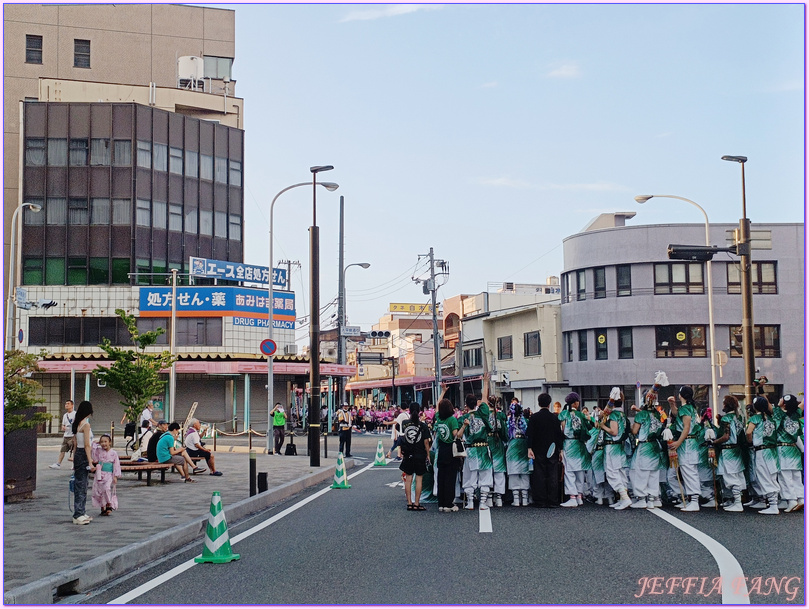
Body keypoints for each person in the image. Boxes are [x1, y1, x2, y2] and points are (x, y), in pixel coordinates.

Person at [526, 393, 564, 508]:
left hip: (538, 448)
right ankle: (552, 500)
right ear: (549, 403)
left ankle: (540, 500)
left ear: (538, 403)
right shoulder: (554, 418)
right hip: (552, 448)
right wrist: (560, 450)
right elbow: (559, 436)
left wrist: (529, 448)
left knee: (539, 474)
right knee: (552, 473)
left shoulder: (534, 417)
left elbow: (530, 434)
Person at [710, 395, 747, 512]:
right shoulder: (739, 418)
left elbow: (726, 436)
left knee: (730, 476)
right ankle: (737, 500)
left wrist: (714, 442)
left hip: (728, 451)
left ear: (726, 405)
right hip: (737, 450)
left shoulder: (726, 419)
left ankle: (737, 502)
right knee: (737, 475)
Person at [629, 391, 665, 509]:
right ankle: (652, 499)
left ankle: (641, 499)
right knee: (654, 473)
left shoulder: (641, 415)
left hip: (644, 446)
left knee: (639, 472)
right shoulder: (659, 414)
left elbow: (634, 431)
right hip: (655, 445)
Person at [597, 389, 632, 510]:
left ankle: (624, 497)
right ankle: (623, 498)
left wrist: (602, 426)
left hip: (611, 446)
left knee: (611, 472)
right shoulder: (622, 414)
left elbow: (614, 431)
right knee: (621, 472)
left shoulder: (613, 415)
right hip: (620, 446)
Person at [668, 386, 702, 512]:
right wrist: (672, 405)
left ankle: (694, 501)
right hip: (690, 443)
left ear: (681, 395)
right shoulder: (688, 408)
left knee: (689, 472)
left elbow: (686, 427)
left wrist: (678, 442)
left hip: (687, 444)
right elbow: (678, 415)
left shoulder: (686, 408)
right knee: (689, 471)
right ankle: (690, 499)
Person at [745, 396, 780, 514]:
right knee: (772, 475)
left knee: (764, 475)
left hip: (762, 450)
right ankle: (774, 502)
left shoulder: (755, 418)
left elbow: (749, 432)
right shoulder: (771, 417)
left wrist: (750, 441)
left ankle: (773, 505)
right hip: (772, 451)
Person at [458, 394, 493, 510]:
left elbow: (458, 435)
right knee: (485, 475)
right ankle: (483, 502)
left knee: (470, 476)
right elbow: (484, 403)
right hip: (483, 448)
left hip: (471, 449)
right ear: (476, 404)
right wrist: (486, 383)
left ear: (466, 405)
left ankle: (470, 502)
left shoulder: (463, 418)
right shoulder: (482, 414)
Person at [558, 392, 591, 508]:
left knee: (569, 471)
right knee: (580, 471)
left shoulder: (564, 414)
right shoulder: (581, 415)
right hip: (580, 444)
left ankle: (572, 497)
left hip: (569, 443)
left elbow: (562, 430)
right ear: (576, 402)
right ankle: (579, 496)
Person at [398, 402, 432, 511]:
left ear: (409, 410)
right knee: (419, 479)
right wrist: (428, 455)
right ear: (420, 411)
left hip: (408, 454)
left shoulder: (405, 423)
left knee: (408, 478)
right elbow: (426, 442)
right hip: (420, 454)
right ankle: (417, 503)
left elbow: (402, 437)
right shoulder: (423, 425)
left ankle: (409, 503)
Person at [776, 394, 804, 512]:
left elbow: (770, 406)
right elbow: (803, 404)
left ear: (784, 403)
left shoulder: (779, 413)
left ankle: (791, 500)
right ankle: (801, 498)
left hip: (783, 449)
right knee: (796, 476)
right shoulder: (796, 414)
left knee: (785, 477)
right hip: (794, 449)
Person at [432, 398, 460, 512]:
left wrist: (442, 392)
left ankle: (441, 503)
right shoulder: (452, 420)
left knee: (441, 477)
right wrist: (463, 427)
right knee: (450, 477)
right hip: (450, 451)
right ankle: (449, 503)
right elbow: (455, 435)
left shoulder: (439, 419)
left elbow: (438, 406)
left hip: (441, 450)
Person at [71, 401, 95, 525]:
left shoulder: (76, 423)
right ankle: (78, 514)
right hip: (84, 455)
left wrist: (74, 459)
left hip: (78, 455)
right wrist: (90, 461)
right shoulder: (86, 425)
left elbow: (75, 443)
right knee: (82, 485)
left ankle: (81, 511)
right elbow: (87, 445)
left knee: (81, 484)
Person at [506, 399, 530, 507]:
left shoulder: (509, 423)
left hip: (513, 445)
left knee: (514, 471)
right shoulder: (525, 422)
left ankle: (516, 499)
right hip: (524, 445)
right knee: (525, 472)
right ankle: (525, 498)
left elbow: (506, 436)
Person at [91, 434, 121, 516]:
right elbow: (94, 457)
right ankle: (103, 507)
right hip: (100, 473)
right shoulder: (99, 451)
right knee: (99, 490)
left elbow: (116, 464)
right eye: (102, 442)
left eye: (105, 442)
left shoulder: (114, 453)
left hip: (109, 474)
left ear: (110, 442)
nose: (103, 444)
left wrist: (115, 476)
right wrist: (95, 444)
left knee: (106, 488)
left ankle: (109, 504)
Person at [487, 396, 508, 507]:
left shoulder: (484, 414)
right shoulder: (500, 415)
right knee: (499, 470)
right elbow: (504, 432)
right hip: (497, 441)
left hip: (486, 443)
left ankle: (489, 497)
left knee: (488, 470)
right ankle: (499, 497)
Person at [50, 400, 76, 468]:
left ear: (72, 405)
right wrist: (63, 427)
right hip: (66, 435)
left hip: (72, 435)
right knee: (62, 450)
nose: (66, 405)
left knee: (74, 450)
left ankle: (74, 464)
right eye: (66, 403)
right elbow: (63, 425)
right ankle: (58, 464)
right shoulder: (65, 415)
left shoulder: (75, 414)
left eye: (68, 404)